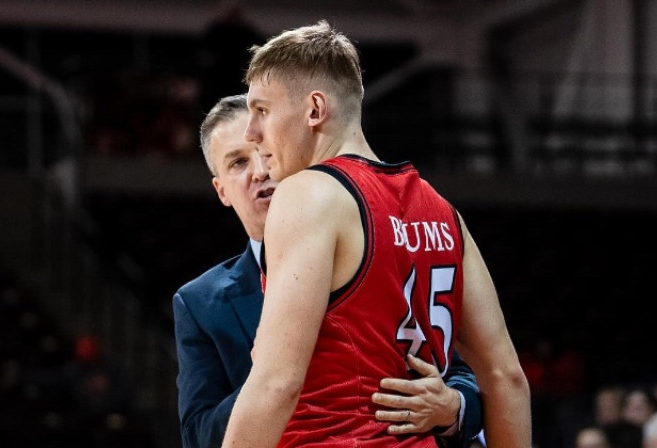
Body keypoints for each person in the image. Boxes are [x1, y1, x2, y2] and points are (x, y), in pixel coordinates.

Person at [222, 20, 530, 447]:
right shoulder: (443, 212)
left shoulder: (307, 195)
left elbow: (277, 383)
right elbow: (507, 377)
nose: (252, 134)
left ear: (314, 109)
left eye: (262, 111)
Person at [172, 94, 484, 448]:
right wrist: (277, 376)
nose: (260, 171)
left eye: (265, 152)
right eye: (238, 163)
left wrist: (453, 407)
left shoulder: (381, 249)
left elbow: (461, 373)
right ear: (222, 191)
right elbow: (197, 435)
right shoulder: (199, 302)